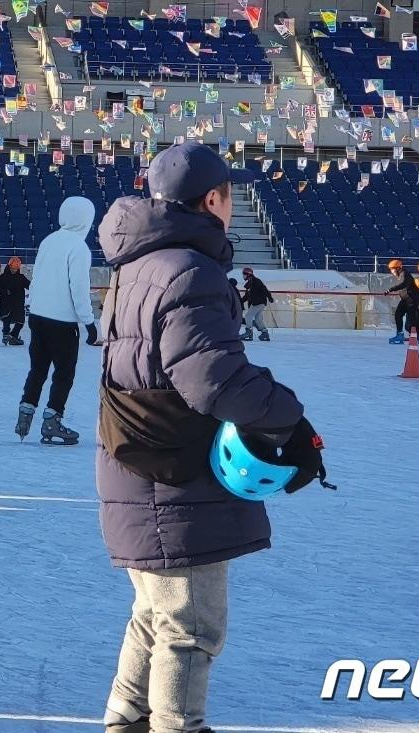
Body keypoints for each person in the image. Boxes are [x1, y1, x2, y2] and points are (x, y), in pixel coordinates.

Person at [95, 142, 328, 733]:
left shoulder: (135, 265)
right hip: (175, 475)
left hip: (137, 461)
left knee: (154, 613)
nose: (233, 206)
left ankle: (126, 717)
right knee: (191, 625)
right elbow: (212, 379)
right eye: (230, 195)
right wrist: (289, 417)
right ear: (212, 199)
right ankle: (178, 725)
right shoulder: (191, 270)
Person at [15, 196, 97, 446]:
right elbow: (79, 289)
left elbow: (37, 278)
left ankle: (25, 415)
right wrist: (90, 324)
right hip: (63, 323)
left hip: (38, 318)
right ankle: (52, 421)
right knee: (63, 373)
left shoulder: (48, 241)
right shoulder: (79, 248)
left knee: (37, 369)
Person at [385, 259, 419, 345]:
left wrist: (391, 289)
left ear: (397, 268)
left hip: (411, 299)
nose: (391, 272)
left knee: (413, 319)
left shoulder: (404, 274)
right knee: (398, 315)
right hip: (405, 299)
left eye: (392, 269)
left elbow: (403, 284)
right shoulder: (401, 274)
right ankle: (400, 334)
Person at [0, 256, 30, 345]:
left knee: (20, 321)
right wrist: (4, 291)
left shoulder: (21, 277)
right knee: (6, 318)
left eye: (15, 268)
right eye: (12, 268)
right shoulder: (3, 277)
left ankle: (13, 336)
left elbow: (30, 285)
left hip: (18, 303)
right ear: (9, 266)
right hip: (6, 302)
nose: (13, 270)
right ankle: (5, 334)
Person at [239, 267, 274, 342]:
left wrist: (270, 297)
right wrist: (240, 301)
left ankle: (249, 333)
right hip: (259, 303)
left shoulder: (256, 281)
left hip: (258, 302)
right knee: (258, 319)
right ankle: (265, 333)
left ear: (248, 274)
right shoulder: (250, 283)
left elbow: (264, 289)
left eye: (244, 274)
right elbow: (247, 296)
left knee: (248, 316)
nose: (243, 276)